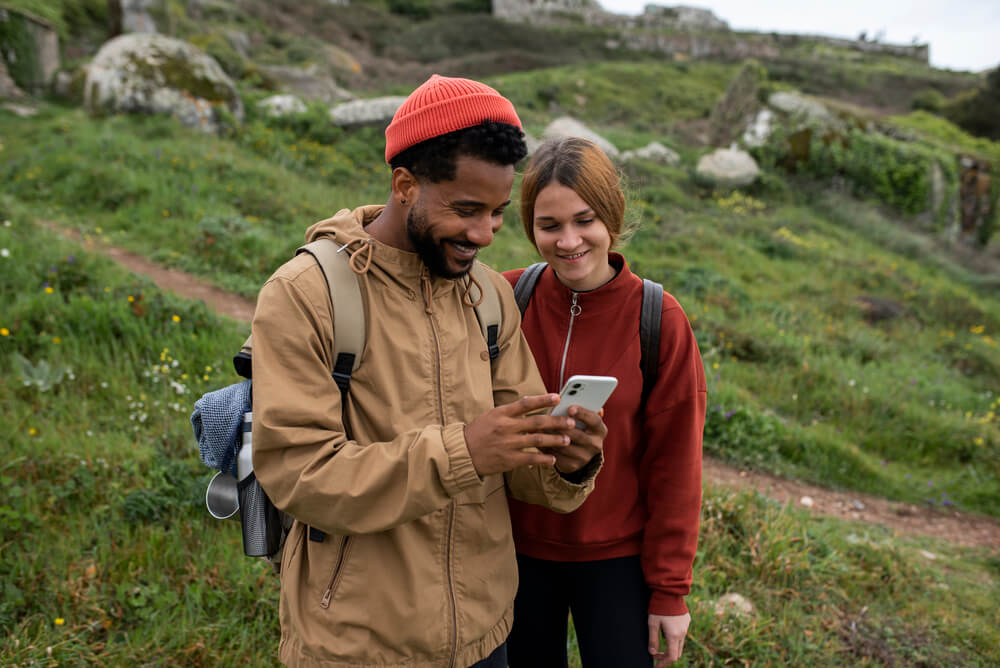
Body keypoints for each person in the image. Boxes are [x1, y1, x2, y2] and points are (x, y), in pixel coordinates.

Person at [249, 75, 607, 668]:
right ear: (405, 185)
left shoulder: (490, 297)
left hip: (486, 634)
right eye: (465, 210)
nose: (484, 234)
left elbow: (517, 463)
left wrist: (567, 460)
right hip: (356, 645)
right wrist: (465, 451)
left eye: (497, 213)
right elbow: (302, 476)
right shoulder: (305, 295)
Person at [503, 137, 706, 667]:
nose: (569, 240)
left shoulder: (659, 319)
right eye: (549, 225)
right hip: (513, 551)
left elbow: (676, 465)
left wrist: (670, 591)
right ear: (530, 228)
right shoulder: (506, 300)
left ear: (611, 216)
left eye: (584, 220)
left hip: (618, 561)